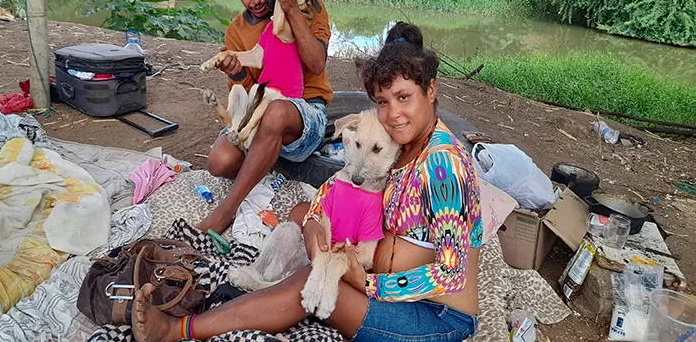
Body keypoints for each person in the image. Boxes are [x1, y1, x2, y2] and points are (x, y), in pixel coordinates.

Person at [132, 22, 483, 342]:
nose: (392, 114)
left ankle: (177, 330)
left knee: (309, 283)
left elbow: (451, 274)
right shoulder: (401, 144)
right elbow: (341, 188)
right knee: (302, 213)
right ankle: (262, 298)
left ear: (431, 90)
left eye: (404, 97)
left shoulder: (444, 166)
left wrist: (365, 283)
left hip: (435, 317)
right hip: (378, 273)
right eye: (382, 101)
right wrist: (315, 222)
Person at [199, 0, 333, 234]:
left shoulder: (305, 1)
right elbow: (245, 94)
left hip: (303, 111)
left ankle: (226, 212)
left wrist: (292, 12)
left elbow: (316, 64)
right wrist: (234, 73)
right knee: (219, 161)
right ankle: (267, 159)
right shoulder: (236, 31)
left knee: (275, 112)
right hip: (258, 113)